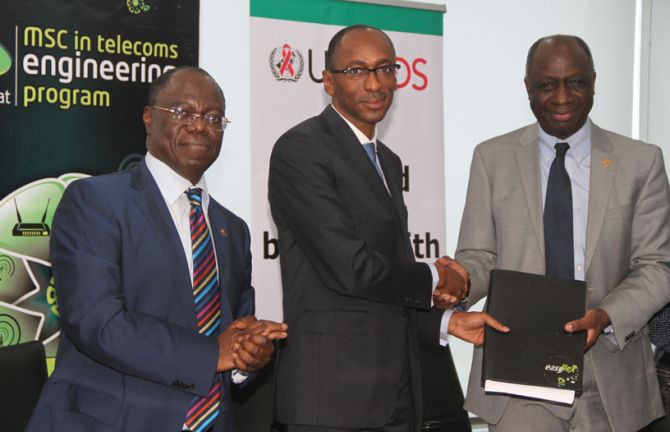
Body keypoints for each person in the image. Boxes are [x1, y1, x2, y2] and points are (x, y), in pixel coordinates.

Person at [268, 24, 508, 431]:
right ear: (328, 81)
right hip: (331, 398)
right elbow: (351, 268)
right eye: (356, 70)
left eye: (385, 69)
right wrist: (437, 277)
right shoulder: (301, 149)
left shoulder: (389, 162)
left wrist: (445, 323)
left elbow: (386, 285)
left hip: (396, 392)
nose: (375, 83)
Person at [27, 66, 287, 432]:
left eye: (213, 118)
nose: (200, 126)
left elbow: (235, 334)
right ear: (149, 118)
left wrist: (248, 358)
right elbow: (98, 322)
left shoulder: (233, 229)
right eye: (183, 112)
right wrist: (213, 354)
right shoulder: (95, 202)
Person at [454, 35, 670, 431]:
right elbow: (479, 255)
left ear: (594, 81)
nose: (562, 97)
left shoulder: (642, 161)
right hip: (517, 380)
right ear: (527, 87)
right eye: (546, 85)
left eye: (575, 82)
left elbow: (657, 266)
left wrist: (607, 315)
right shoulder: (492, 158)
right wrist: (458, 282)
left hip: (611, 378)